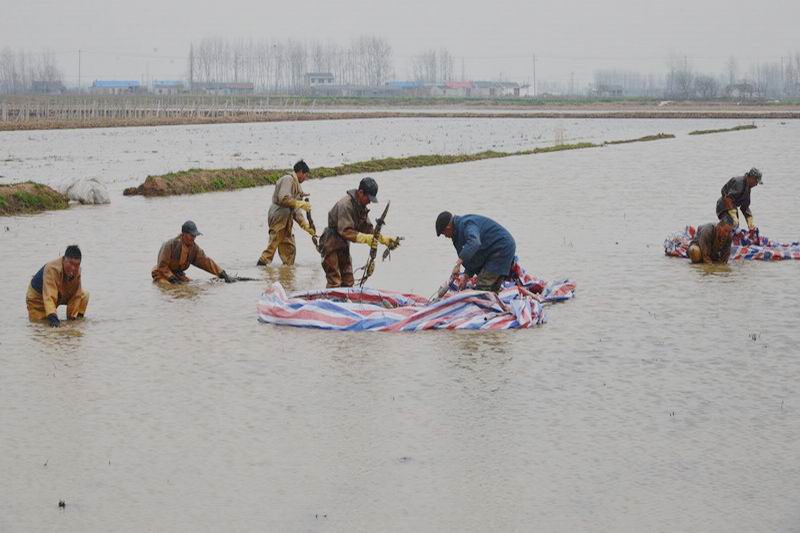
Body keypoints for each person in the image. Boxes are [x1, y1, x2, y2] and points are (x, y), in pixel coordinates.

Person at [318, 177, 400, 288]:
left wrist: (383, 239)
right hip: (330, 242)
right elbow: (345, 231)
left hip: (343, 244)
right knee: (335, 280)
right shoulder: (345, 205)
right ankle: (330, 298)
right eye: (368, 198)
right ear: (361, 192)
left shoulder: (361, 207)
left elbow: (367, 229)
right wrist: (366, 239)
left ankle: (346, 299)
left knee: (348, 280)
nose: (369, 202)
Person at [436, 211, 516, 292]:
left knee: (482, 284)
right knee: (492, 288)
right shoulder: (457, 234)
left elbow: (474, 243)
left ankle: (485, 297)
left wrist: (458, 264)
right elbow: (474, 258)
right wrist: (466, 277)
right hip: (493, 251)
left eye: (444, 233)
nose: (446, 236)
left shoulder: (466, 224)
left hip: (501, 247)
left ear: (448, 228)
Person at [257, 160, 316, 266]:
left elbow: (295, 210)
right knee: (272, 246)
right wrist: (300, 204)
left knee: (290, 249)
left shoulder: (296, 186)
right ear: (300, 172)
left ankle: (287, 273)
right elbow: (283, 198)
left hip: (286, 219)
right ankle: (261, 268)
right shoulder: (288, 179)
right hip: (279, 215)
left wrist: (305, 225)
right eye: (305, 175)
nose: (305, 178)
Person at [151, 220, 235, 285]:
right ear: (183, 234)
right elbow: (162, 267)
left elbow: (206, 261)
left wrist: (222, 274)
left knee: (192, 285)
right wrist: (172, 279)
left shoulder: (194, 248)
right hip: (162, 275)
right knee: (169, 288)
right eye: (192, 235)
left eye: (195, 235)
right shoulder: (170, 245)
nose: (194, 238)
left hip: (178, 275)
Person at [26, 245, 89, 327]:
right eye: (70, 263)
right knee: (41, 326)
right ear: (64, 259)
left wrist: (72, 322)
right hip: (38, 298)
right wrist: (54, 319)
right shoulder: (51, 269)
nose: (73, 268)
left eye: (77, 265)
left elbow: (76, 295)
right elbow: (49, 297)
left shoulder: (77, 271)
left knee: (84, 295)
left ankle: (77, 321)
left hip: (59, 293)